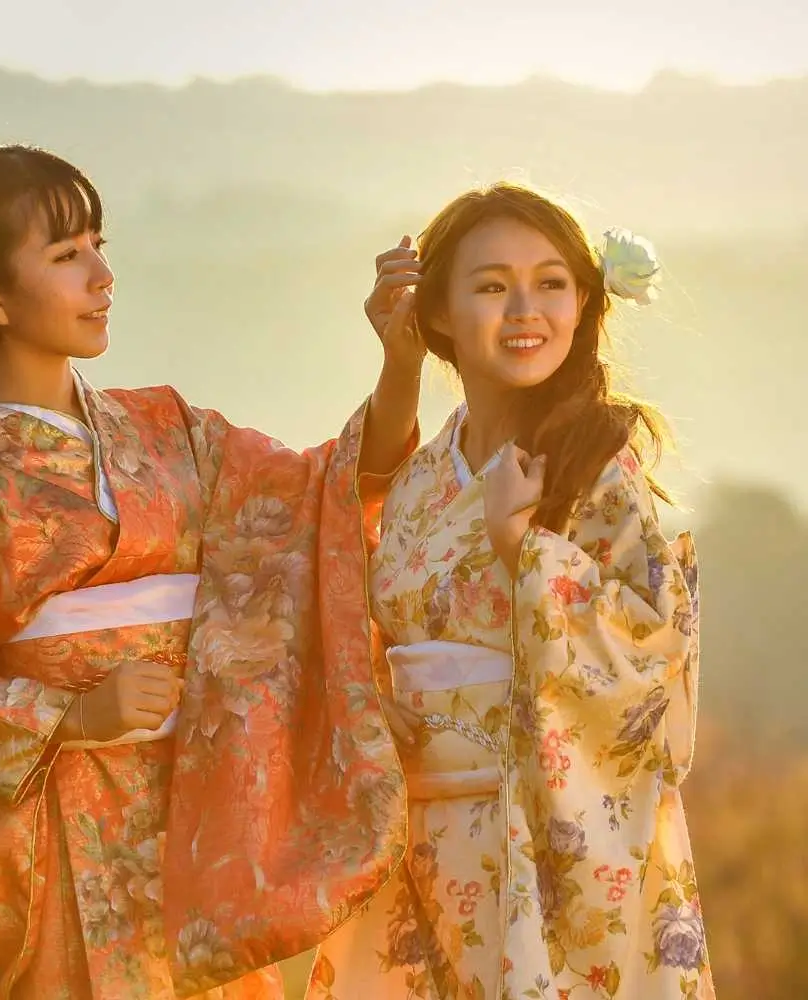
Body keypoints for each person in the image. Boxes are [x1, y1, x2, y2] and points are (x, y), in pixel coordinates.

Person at [0, 145, 424, 999]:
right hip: (60, 839)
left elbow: (322, 496)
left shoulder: (165, 428)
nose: (102, 275)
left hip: (192, 825)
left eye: (98, 244)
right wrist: (70, 714)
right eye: (66, 255)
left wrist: (401, 361)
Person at [307, 183, 714, 999]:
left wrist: (524, 550)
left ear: (583, 301)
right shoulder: (425, 476)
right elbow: (333, 552)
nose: (526, 308)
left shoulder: (597, 463)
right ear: (441, 314)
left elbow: (648, 665)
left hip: (542, 844)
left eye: (551, 282)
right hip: (417, 843)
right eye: (491, 286)